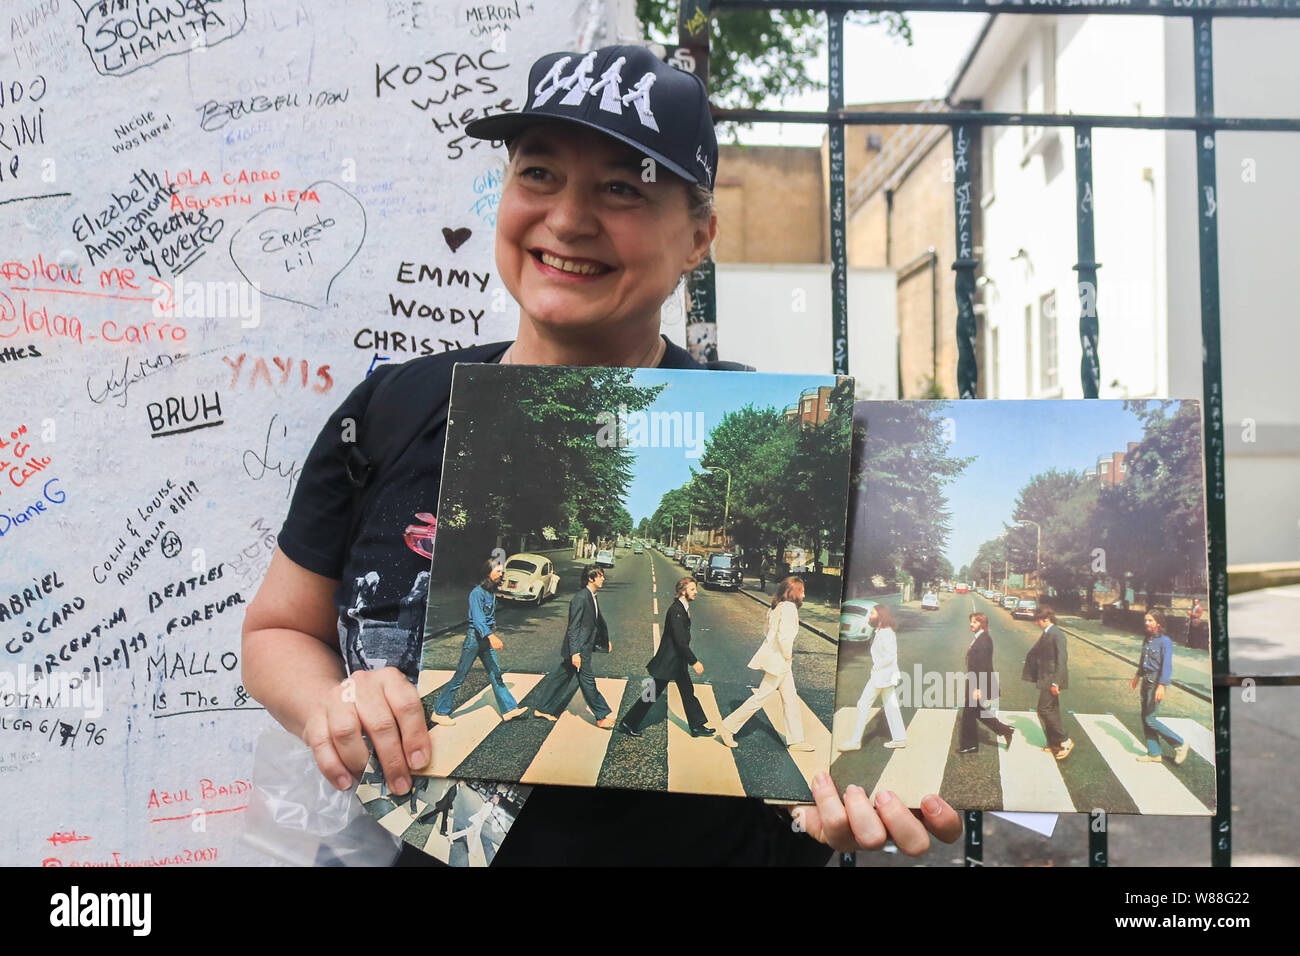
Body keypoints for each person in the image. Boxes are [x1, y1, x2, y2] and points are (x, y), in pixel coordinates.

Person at [241, 43, 959, 864]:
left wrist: (846, 794)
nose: (568, 219)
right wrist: (332, 702)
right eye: (539, 173)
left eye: (622, 187)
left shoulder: (781, 432)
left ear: (699, 237)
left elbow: (852, 694)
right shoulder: (394, 409)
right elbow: (275, 631)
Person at [430, 559, 529, 727]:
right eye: (498, 571)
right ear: (487, 573)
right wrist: (491, 635)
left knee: (495, 673)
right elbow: (477, 619)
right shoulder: (477, 592)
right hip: (475, 639)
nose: (501, 574)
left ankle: (509, 709)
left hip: (484, 638)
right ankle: (439, 712)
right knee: (460, 676)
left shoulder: (490, 592)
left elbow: (487, 615)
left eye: (501, 571)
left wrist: (493, 625)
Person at [720, 576, 814, 752]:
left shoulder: (776, 607)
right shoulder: (789, 608)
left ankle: (796, 740)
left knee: (791, 699)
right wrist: (787, 656)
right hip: (780, 662)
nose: (804, 595)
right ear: (792, 592)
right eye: (801, 591)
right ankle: (728, 727)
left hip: (778, 660)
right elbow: (783, 637)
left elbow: (767, 632)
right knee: (761, 697)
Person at [620, 576, 712, 737]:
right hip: (670, 661)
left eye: (695, 589)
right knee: (653, 693)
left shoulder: (682, 608)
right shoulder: (676, 610)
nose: (696, 592)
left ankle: (697, 726)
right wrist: (694, 661)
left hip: (677, 661)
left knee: (687, 692)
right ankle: (628, 723)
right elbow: (680, 641)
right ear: (682, 591)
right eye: (692, 589)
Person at [530, 565, 614, 727]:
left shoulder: (591, 596)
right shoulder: (581, 598)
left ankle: (542, 708)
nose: (603, 578)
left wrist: (604, 641)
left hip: (585, 646)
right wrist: (575, 653)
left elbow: (595, 623)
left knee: (561, 678)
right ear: (590, 578)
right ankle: (601, 715)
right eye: (600, 576)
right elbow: (574, 627)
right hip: (580, 648)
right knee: (588, 681)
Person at [838, 604, 907, 751]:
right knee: (891, 705)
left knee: (863, 704)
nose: (870, 615)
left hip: (882, 676)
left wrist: (876, 667)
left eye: (873, 613)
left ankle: (855, 741)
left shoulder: (886, 633)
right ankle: (900, 738)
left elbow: (890, 656)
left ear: (881, 616)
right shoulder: (881, 631)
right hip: (884, 675)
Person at [1131, 609, 1190, 764]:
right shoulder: (1147, 639)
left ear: (1158, 623)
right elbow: (1143, 660)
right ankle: (1154, 753)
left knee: (1150, 719)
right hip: (1146, 681)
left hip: (1156, 682)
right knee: (1145, 718)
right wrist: (1137, 675)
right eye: (1145, 620)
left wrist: (1162, 685)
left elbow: (1167, 666)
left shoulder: (1165, 641)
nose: (1147, 623)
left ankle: (1179, 744)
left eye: (1150, 620)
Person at [956, 612, 1014, 754]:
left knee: (969, 713)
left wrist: (977, 688)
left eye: (975, 622)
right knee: (976, 711)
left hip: (978, 682)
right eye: (971, 621)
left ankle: (970, 745)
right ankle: (1005, 730)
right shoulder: (981, 638)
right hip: (975, 680)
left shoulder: (983, 640)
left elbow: (983, 666)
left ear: (982, 624)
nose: (971, 624)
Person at [1024, 605, 1073, 760]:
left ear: (1046, 619)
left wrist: (1056, 683)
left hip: (1051, 679)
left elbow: (1062, 660)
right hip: (1046, 677)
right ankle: (1055, 744)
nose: (1036, 623)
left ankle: (1065, 739)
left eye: (1038, 621)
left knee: (1043, 709)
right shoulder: (1047, 633)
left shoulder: (1056, 634)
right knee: (1053, 710)